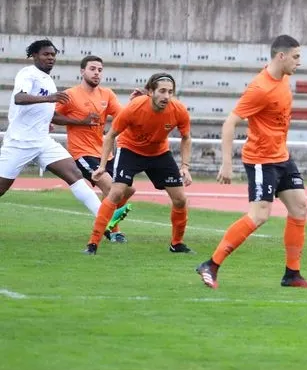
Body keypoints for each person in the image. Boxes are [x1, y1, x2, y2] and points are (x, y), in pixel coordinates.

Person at [196, 35, 307, 289]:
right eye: (296, 57)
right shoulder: (259, 88)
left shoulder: (283, 80)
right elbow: (229, 122)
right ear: (280, 56)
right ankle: (211, 264)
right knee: (260, 215)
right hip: (262, 160)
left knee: (300, 209)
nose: (299, 62)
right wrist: (226, 163)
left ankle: (292, 274)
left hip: (282, 156)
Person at [83, 72, 193, 256]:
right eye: (162, 91)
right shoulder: (134, 108)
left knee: (181, 199)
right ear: (150, 91)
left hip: (159, 152)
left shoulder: (179, 110)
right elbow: (110, 135)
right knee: (116, 192)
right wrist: (102, 166)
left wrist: (185, 167)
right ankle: (93, 243)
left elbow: (186, 138)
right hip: (130, 150)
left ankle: (177, 244)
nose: (166, 96)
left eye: (170, 92)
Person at [0, 40, 104, 218]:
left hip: (43, 142)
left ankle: (105, 220)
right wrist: (50, 98)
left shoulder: (48, 81)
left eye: (53, 55)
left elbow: (52, 115)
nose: (50, 58)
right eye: (46, 54)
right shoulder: (28, 74)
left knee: (74, 174)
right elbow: (19, 98)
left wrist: (82, 122)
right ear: (34, 56)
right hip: (20, 142)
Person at [54, 55, 135, 242]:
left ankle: (107, 219)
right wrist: (79, 122)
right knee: (111, 188)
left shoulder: (107, 94)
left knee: (128, 190)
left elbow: (122, 116)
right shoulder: (71, 95)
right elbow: (53, 116)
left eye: (99, 69)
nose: (96, 73)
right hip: (82, 152)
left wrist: (134, 104)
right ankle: (115, 232)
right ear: (82, 71)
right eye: (92, 69)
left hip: (105, 153)